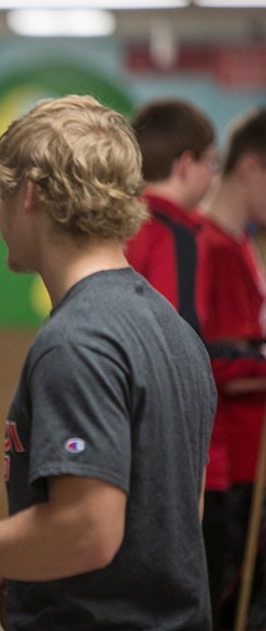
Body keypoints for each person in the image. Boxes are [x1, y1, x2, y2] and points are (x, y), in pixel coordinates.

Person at [0, 95, 217, 629]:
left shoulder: (77, 342)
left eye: (2, 194)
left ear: (31, 195)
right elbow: (168, 524)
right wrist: (17, 565)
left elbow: (86, 530)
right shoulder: (174, 331)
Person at [197, 108, 266, 629]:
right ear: (251, 168)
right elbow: (208, 364)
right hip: (227, 466)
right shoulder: (209, 247)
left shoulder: (241, 244)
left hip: (249, 460)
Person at [124, 97, 218, 332]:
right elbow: (177, 337)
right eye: (210, 163)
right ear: (186, 164)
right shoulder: (176, 236)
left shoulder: (114, 221)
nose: (211, 177)